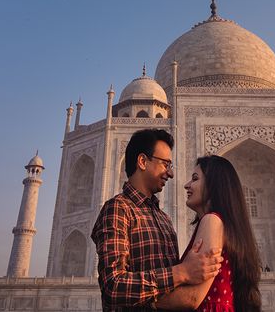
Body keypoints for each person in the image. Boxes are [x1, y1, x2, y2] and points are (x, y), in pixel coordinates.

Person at [91, 129, 222, 311]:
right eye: (165, 164)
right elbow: (113, 286)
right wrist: (182, 272)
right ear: (143, 162)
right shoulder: (118, 209)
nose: (171, 173)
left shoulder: (164, 220)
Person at [156, 155, 262, 311]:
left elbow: (192, 297)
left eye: (195, 179)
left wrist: (142, 299)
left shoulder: (212, 220)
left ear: (214, 186)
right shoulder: (227, 225)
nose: (187, 185)